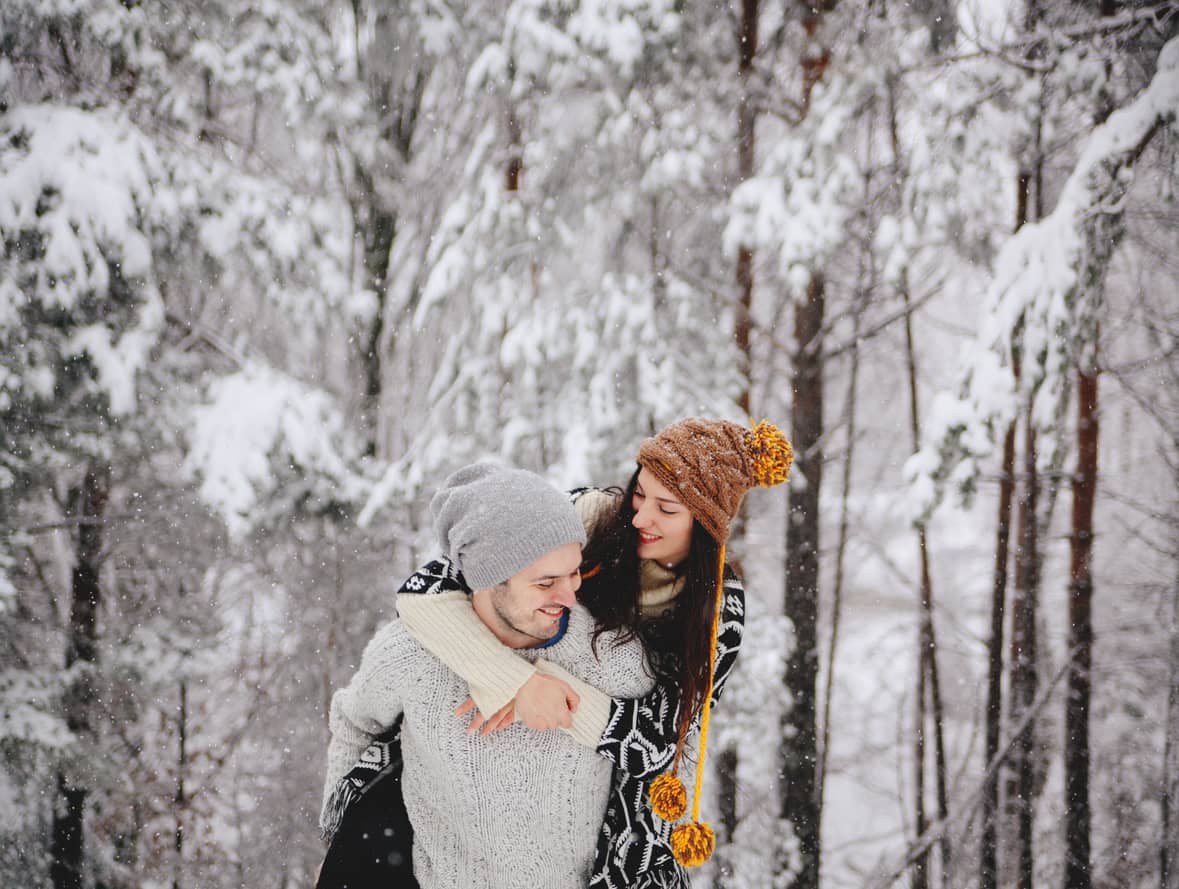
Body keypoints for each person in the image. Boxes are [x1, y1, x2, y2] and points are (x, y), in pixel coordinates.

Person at [395, 418, 793, 888]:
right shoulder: (584, 516)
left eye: (667, 509)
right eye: (640, 493)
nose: (641, 517)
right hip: (498, 743)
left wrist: (555, 695)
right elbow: (423, 591)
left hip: (608, 792)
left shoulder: (716, 612)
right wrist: (514, 680)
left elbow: (658, 740)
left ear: (706, 526)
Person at [318, 463, 654, 888]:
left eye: (574, 572)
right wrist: (338, 844)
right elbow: (353, 723)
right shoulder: (408, 655)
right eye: (545, 582)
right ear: (487, 580)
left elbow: (663, 760)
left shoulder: (611, 654)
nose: (569, 595)